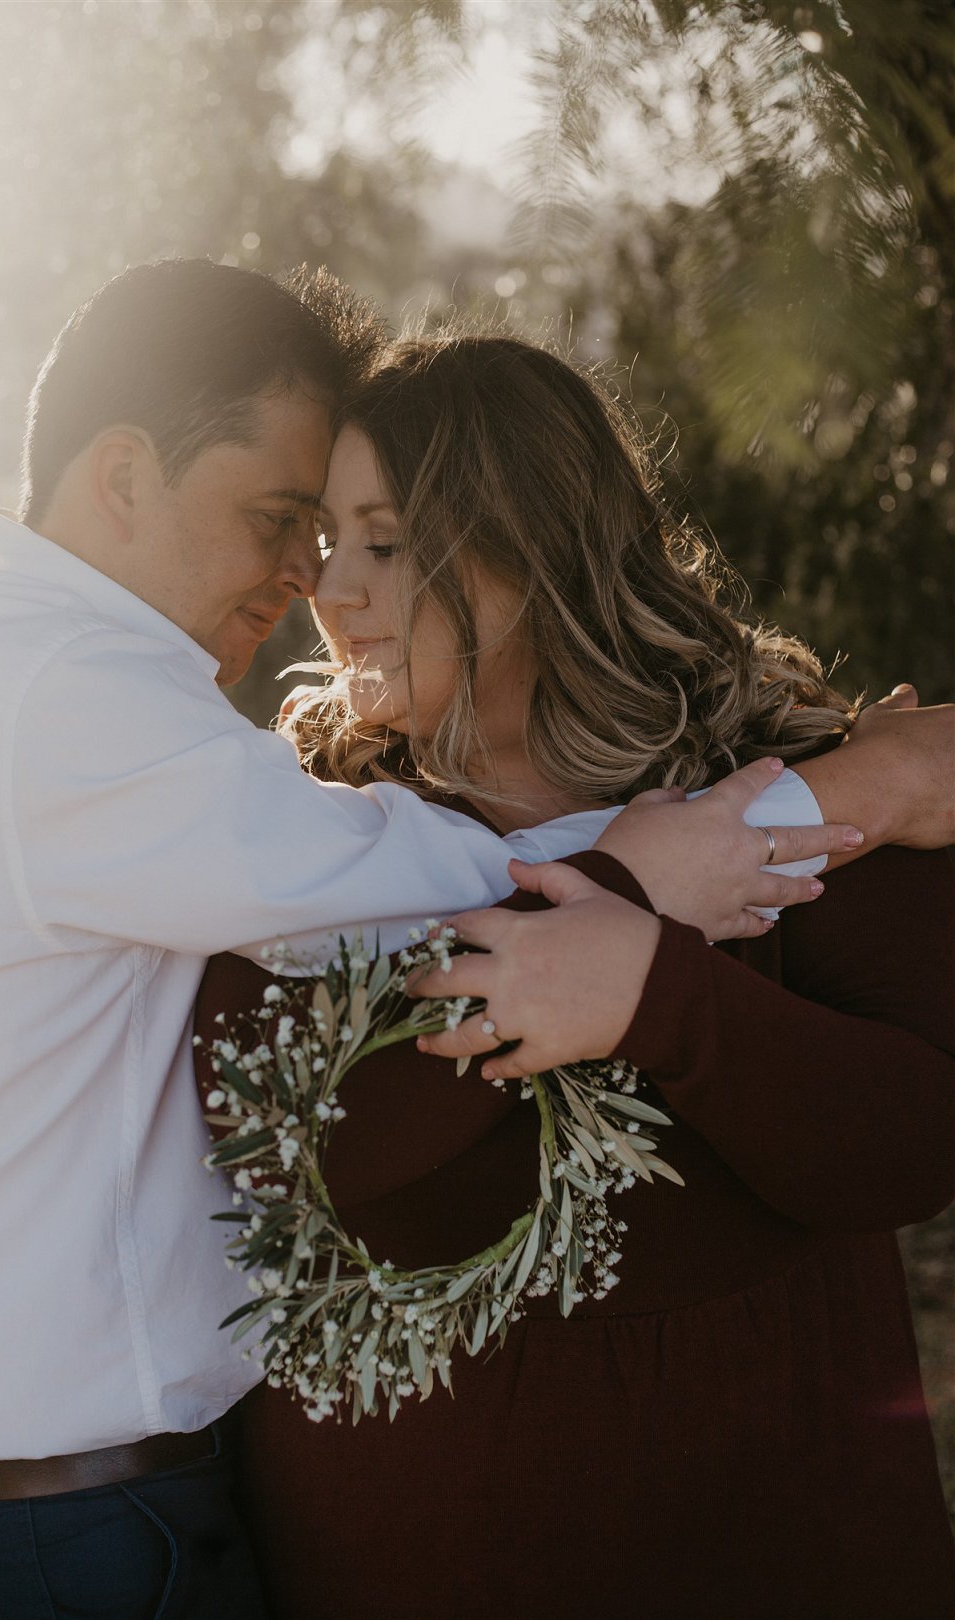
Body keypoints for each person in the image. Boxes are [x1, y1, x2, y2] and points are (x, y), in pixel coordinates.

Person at [0, 260, 856, 1620]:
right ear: (122, 478)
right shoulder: (74, 711)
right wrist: (701, 847)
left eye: (357, 536)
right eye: (280, 518)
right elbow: (391, 876)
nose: (310, 578)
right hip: (92, 1510)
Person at [197, 330, 955, 1619]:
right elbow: (291, 1141)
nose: (335, 589)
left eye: (387, 540)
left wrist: (668, 1001)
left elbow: (914, 1143)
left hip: (765, 1545)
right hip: (401, 1560)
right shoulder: (301, 824)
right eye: (328, 539)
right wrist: (625, 909)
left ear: (530, 548)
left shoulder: (785, 777)